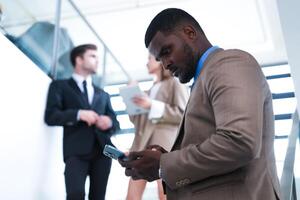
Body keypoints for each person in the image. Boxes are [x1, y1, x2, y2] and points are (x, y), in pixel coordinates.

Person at [119, 8, 281, 200]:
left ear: (190, 33)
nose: (165, 64)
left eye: (167, 51)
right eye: (160, 59)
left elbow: (239, 141)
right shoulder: (203, 79)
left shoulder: (229, 63)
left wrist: (164, 164)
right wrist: (167, 157)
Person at [45, 44, 120, 200]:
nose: (97, 61)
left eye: (98, 57)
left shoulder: (103, 94)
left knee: (98, 197)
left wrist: (109, 122)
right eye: (92, 56)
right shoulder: (60, 86)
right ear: (79, 60)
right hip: (76, 151)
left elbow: (116, 124)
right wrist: (78, 114)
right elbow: (51, 116)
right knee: (75, 195)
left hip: (103, 152)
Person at [125, 53, 189, 200]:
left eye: (149, 58)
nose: (146, 62)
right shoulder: (149, 90)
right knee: (131, 196)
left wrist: (152, 105)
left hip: (164, 147)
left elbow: (182, 114)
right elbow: (137, 122)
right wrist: (131, 98)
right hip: (142, 147)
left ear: (160, 60)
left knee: (165, 195)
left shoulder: (174, 83)